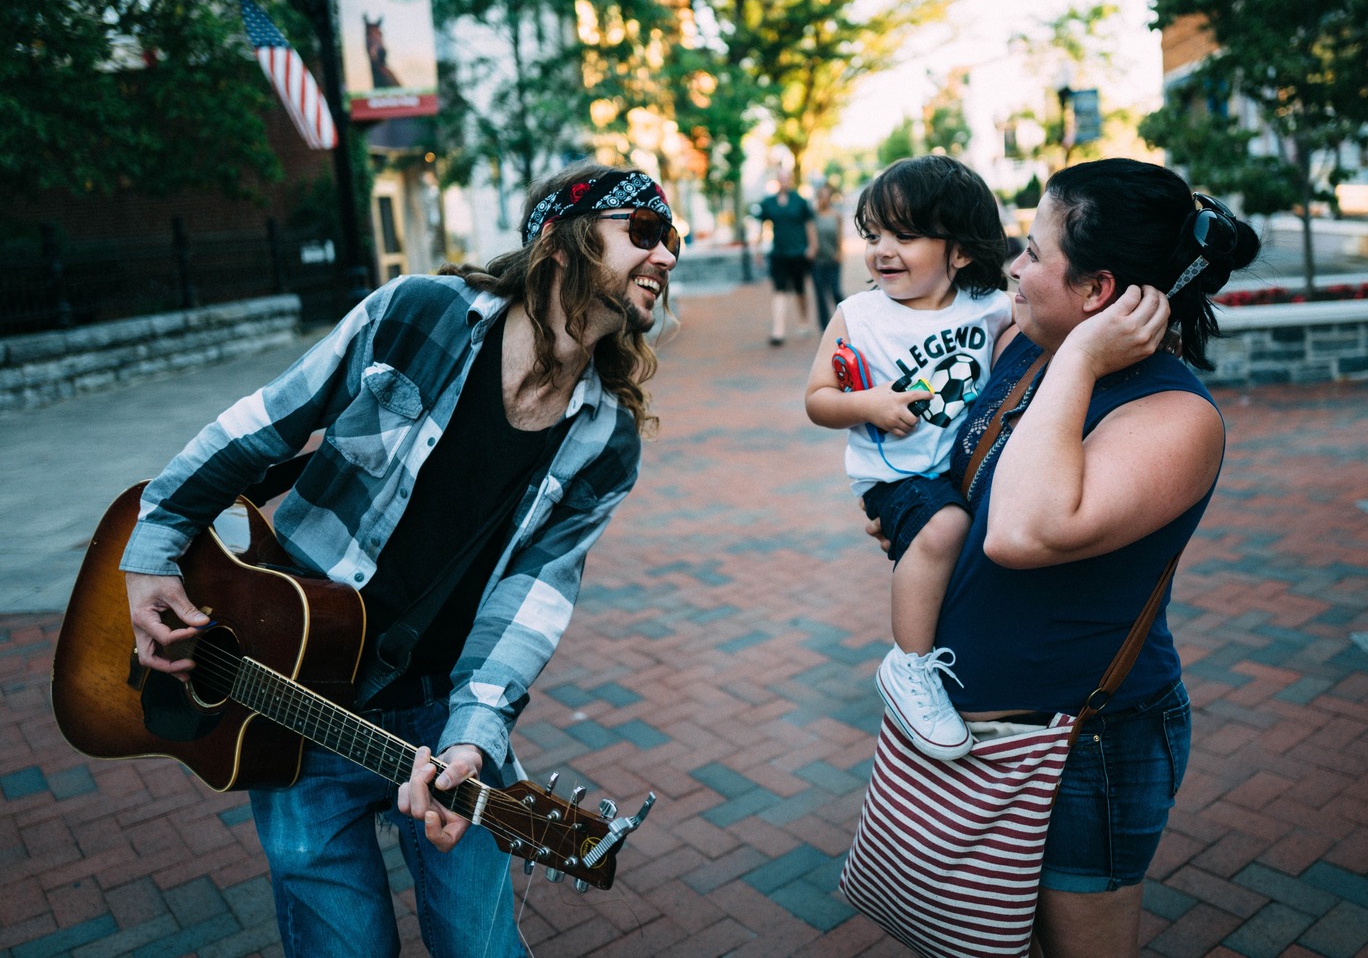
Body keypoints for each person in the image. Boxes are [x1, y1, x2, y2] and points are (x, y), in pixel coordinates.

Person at [120, 160, 681, 958]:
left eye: (675, 242)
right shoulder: (420, 313)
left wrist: (473, 736)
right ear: (561, 239)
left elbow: (532, 595)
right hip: (289, 685)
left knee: (482, 948)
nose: (665, 256)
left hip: (441, 714)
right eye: (646, 232)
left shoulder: (606, 440)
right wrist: (156, 543)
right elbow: (265, 423)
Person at [871, 158, 1260, 956]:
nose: (1012, 264)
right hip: (984, 733)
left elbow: (1022, 532)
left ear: (1098, 292)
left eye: (1036, 252)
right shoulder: (1026, 345)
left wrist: (1082, 359)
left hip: (1086, 746)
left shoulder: (1173, 412)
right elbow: (970, 497)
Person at [805, 155, 1012, 759]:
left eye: (905, 234)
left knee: (979, 537)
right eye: (873, 235)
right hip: (894, 477)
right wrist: (867, 403)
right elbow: (818, 399)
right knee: (946, 526)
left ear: (962, 251)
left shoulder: (990, 307)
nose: (881, 250)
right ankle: (911, 665)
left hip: (958, 471)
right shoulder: (858, 315)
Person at [755, 169, 817, 344]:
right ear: (777, 180)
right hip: (779, 254)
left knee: (800, 289)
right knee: (779, 290)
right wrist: (758, 249)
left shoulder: (800, 201)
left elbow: (809, 224)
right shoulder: (769, 203)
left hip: (798, 253)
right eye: (780, 178)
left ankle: (804, 321)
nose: (783, 181)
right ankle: (778, 331)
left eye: (786, 178)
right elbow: (762, 225)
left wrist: (812, 246)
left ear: (790, 180)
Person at [810, 182, 846, 324]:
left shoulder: (836, 215)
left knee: (836, 291)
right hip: (817, 261)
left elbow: (840, 236)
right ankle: (824, 325)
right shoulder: (813, 216)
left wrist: (840, 252)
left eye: (826, 196)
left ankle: (846, 316)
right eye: (821, 196)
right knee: (820, 294)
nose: (824, 199)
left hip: (833, 259)